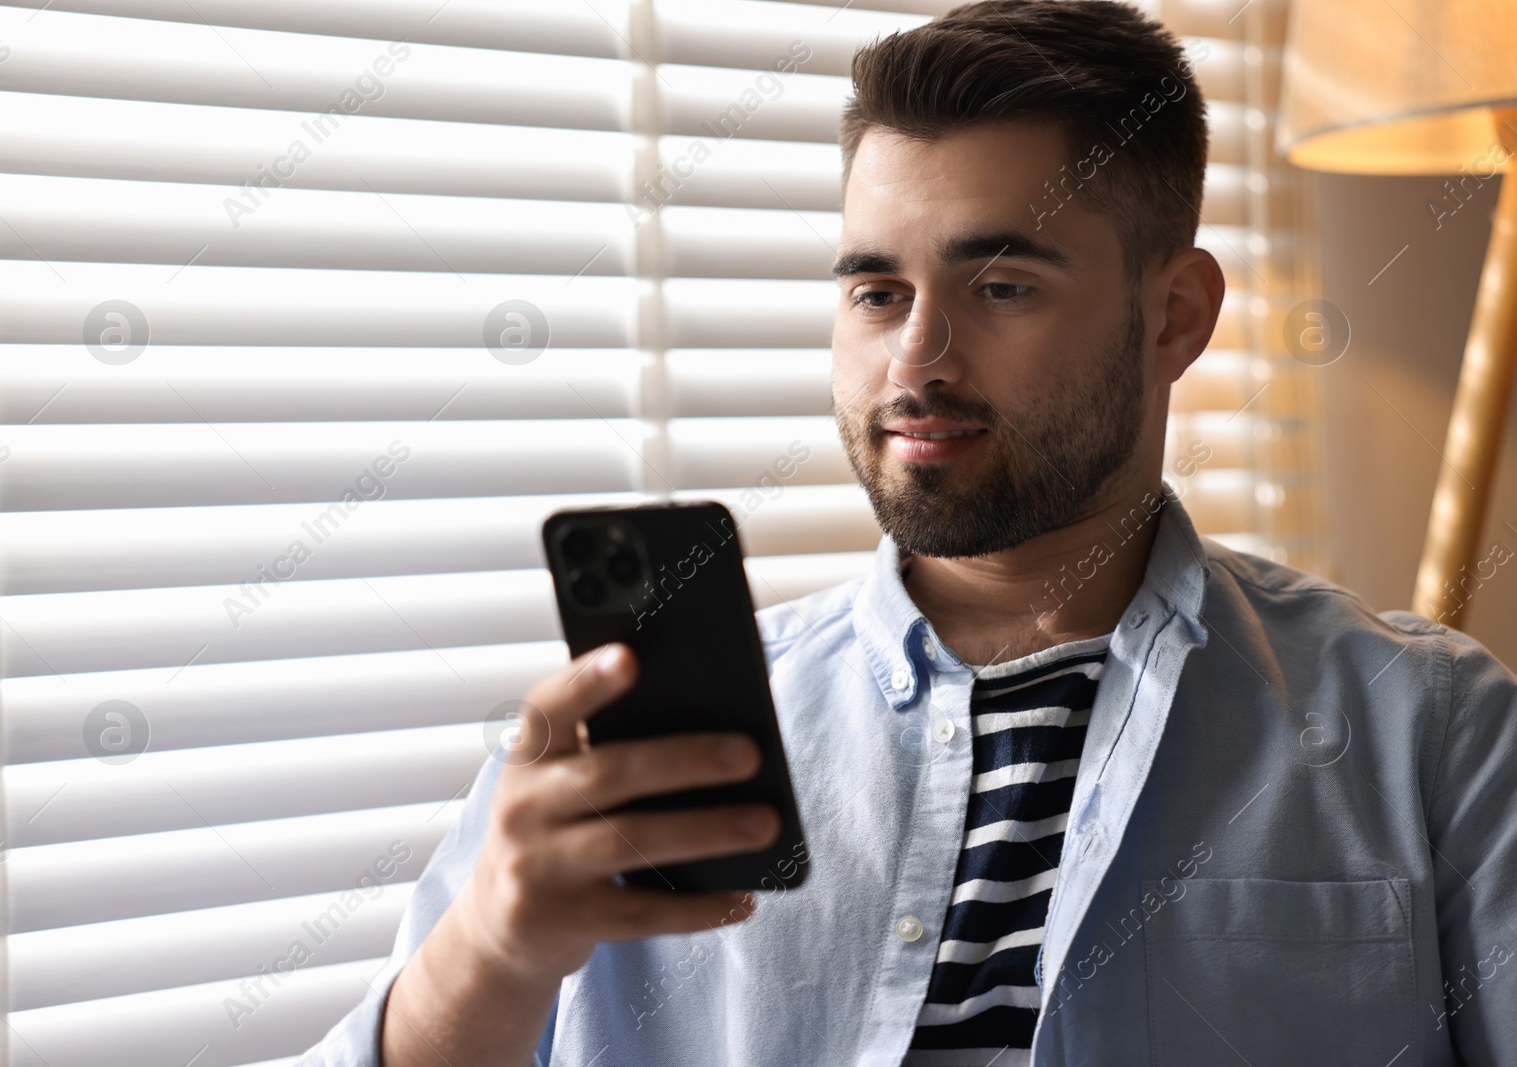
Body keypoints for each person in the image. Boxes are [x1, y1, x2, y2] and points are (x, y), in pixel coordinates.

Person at [303, 2, 1517, 1064]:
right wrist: (492, 951)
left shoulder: (1432, 729)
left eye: (1000, 286)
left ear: (1176, 315)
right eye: (876, 291)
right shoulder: (640, 744)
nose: (915, 359)